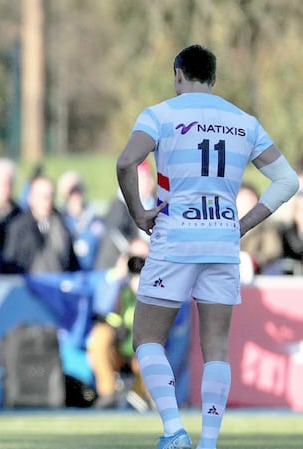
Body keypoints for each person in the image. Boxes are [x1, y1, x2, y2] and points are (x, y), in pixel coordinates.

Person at [116, 45, 299, 449]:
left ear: (177, 75)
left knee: (147, 337)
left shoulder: (160, 114)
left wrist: (138, 213)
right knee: (216, 345)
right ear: (214, 80)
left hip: (175, 238)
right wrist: (243, 223)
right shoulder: (243, 122)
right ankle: (210, 442)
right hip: (220, 241)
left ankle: (173, 430)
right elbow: (288, 181)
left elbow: (127, 162)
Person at [87, 237, 150, 410]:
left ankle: (143, 396)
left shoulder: (157, 282)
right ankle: (108, 394)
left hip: (139, 348)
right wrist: (119, 280)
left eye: (143, 258)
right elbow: (102, 308)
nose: (137, 263)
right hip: (117, 346)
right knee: (100, 335)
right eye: (133, 257)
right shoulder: (112, 278)